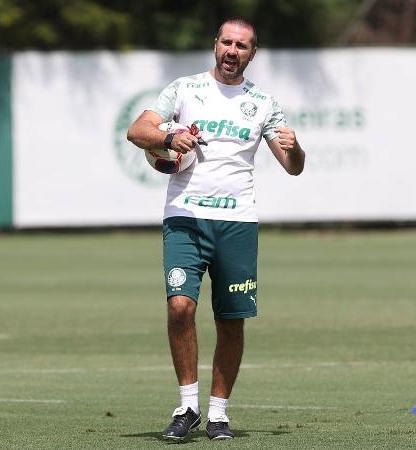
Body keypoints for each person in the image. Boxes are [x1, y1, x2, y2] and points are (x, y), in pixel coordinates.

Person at [127, 17, 305, 441]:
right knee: (180, 307)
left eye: (241, 45)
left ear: (252, 53)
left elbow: (293, 167)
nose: (232, 50)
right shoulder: (185, 89)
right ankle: (187, 406)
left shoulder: (262, 102)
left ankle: (218, 414)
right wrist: (170, 141)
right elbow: (138, 131)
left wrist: (295, 146)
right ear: (215, 45)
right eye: (226, 42)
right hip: (185, 217)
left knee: (231, 320)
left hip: (238, 222)